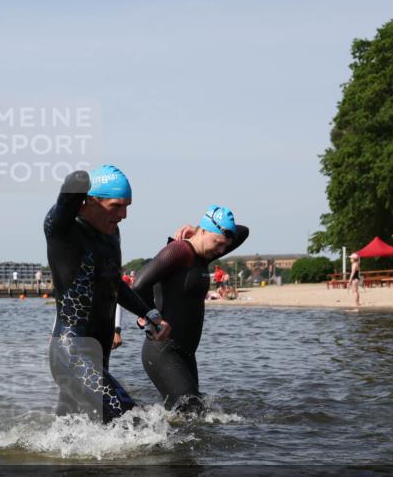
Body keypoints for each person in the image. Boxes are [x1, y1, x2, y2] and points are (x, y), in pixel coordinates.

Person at [44, 166, 170, 423]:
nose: (123, 215)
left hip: (98, 354)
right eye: (116, 206)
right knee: (131, 421)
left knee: (74, 430)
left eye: (127, 206)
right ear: (90, 201)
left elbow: (115, 284)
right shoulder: (63, 231)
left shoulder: (111, 235)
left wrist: (149, 312)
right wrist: (84, 178)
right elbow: (70, 190)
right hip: (71, 353)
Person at [133, 206, 249, 413]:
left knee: (190, 417)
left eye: (225, 246)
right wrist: (152, 317)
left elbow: (244, 231)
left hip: (186, 353)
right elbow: (139, 285)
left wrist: (198, 230)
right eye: (219, 244)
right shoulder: (179, 251)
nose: (221, 251)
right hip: (163, 350)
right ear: (204, 231)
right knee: (192, 412)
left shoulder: (203, 256)